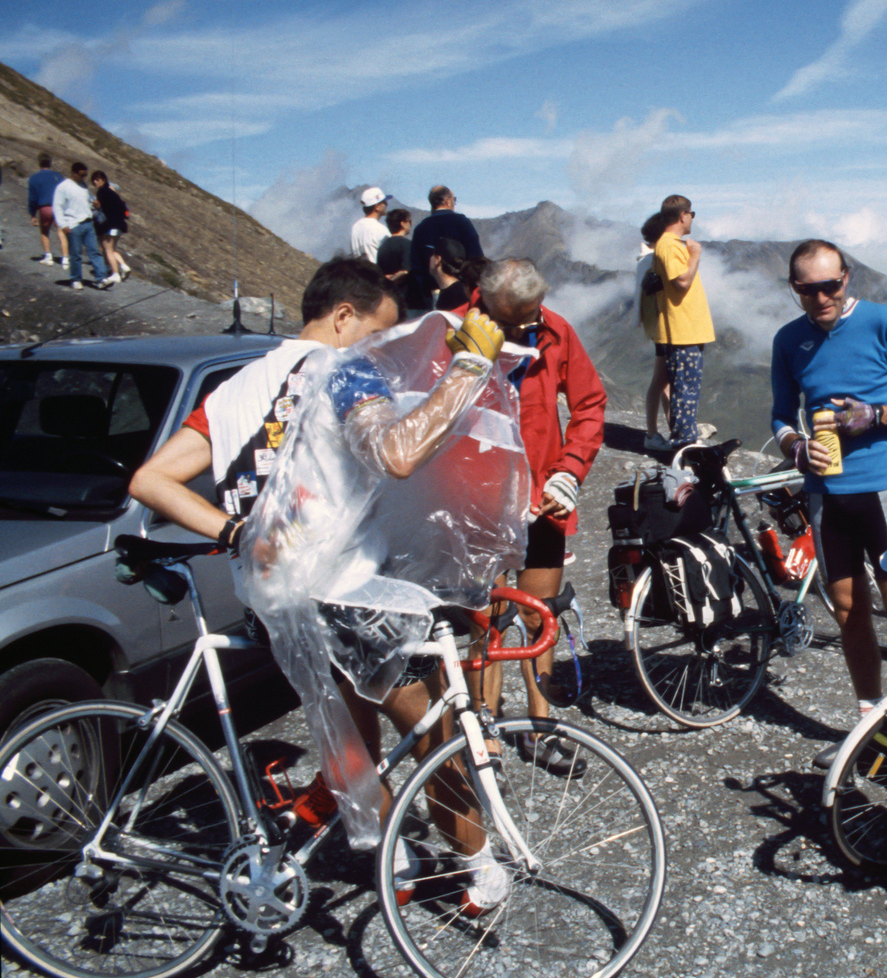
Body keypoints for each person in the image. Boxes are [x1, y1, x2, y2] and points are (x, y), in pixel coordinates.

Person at [130, 257, 521, 912]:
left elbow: (151, 480)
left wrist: (234, 533)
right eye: (373, 334)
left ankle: (389, 855)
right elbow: (396, 454)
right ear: (343, 317)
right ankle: (481, 868)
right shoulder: (341, 370)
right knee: (431, 727)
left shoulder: (236, 387)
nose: (375, 351)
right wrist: (468, 371)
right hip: (341, 590)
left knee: (347, 723)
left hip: (271, 596)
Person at [768, 239, 887, 769]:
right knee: (848, 612)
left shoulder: (883, 321)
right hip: (827, 496)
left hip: (884, 491)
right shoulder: (788, 340)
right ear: (794, 289)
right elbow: (781, 415)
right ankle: (872, 725)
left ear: (848, 278)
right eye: (808, 289)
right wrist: (796, 448)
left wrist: (876, 416)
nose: (821, 297)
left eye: (831, 285)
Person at [462, 259, 606, 763]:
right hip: (477, 505)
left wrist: (568, 473)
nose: (521, 328)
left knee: (539, 616)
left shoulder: (555, 329)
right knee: (487, 624)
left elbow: (590, 405)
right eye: (509, 320)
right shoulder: (454, 327)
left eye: (529, 316)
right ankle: (485, 733)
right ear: (484, 303)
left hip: (542, 500)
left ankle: (541, 728)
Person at [649, 194, 716, 450]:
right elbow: (682, 281)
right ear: (682, 215)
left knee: (685, 388)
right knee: (685, 390)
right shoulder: (669, 245)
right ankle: (684, 445)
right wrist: (695, 254)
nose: (692, 219)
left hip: (686, 329)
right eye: (691, 214)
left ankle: (683, 440)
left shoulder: (670, 245)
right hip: (683, 330)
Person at [409, 185, 482, 311]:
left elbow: (417, 268)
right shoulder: (462, 223)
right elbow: (476, 259)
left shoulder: (421, 229)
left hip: (432, 298)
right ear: (448, 201)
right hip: (462, 295)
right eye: (455, 200)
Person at [636, 210, 673, 451]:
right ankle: (651, 434)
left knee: (665, 381)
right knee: (660, 380)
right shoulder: (653, 261)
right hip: (663, 327)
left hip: (655, 326)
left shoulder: (644, 259)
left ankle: (671, 428)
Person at [52, 162, 111, 290]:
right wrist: (62, 224)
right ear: (74, 172)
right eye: (81, 175)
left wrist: (93, 204)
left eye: (85, 175)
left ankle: (101, 278)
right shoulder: (63, 187)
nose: (84, 177)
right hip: (73, 224)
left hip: (88, 222)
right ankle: (76, 279)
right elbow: (57, 207)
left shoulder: (83, 186)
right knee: (76, 254)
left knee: (95, 252)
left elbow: (86, 201)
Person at [88, 171, 132, 283]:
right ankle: (124, 266)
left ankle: (115, 273)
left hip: (110, 225)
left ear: (103, 179)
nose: (95, 182)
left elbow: (102, 208)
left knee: (107, 250)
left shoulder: (102, 192)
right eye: (94, 180)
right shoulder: (113, 192)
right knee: (113, 249)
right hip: (120, 225)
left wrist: (96, 205)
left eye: (97, 179)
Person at [27, 153, 68, 268]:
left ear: (39, 163)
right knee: (61, 231)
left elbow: (32, 198)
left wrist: (33, 214)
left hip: (45, 208)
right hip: (59, 207)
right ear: (51, 163)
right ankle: (65, 259)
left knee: (44, 231)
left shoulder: (34, 178)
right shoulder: (58, 176)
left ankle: (48, 257)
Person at [376, 207, 414, 301]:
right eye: (409, 221)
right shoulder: (407, 244)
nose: (410, 224)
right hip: (406, 297)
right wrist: (392, 280)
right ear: (403, 223)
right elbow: (405, 271)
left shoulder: (382, 246)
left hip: (389, 297)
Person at [350, 187, 391, 263]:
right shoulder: (380, 229)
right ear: (377, 207)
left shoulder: (355, 227)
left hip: (360, 272)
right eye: (384, 202)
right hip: (377, 272)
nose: (387, 204)